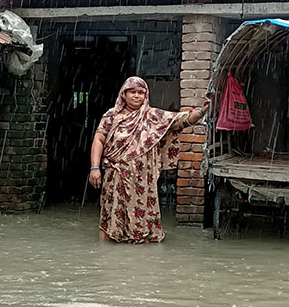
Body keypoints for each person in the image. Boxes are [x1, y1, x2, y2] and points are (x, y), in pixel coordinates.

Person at [88, 77, 208, 243]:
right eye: (132, 92)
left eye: (141, 93)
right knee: (112, 213)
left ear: (146, 96)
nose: (137, 96)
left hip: (143, 181)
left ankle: (139, 255)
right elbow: (98, 139)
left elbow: (180, 120)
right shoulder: (112, 115)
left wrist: (201, 112)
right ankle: (107, 250)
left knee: (142, 215)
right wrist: (94, 168)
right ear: (124, 94)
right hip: (115, 176)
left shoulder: (153, 116)